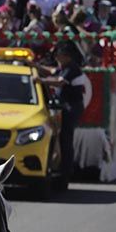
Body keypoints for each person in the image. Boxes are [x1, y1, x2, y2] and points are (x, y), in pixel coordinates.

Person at [35, 41, 89, 182]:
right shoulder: (65, 67)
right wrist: (35, 66)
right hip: (65, 107)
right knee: (62, 139)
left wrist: (40, 80)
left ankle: (65, 173)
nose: (57, 59)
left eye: (59, 56)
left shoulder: (72, 69)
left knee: (66, 140)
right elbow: (52, 72)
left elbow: (59, 81)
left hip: (71, 108)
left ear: (67, 57)